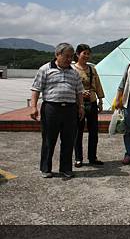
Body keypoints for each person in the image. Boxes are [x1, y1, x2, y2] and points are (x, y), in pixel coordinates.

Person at [30, 43, 84, 178]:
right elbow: (36, 89)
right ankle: (46, 168)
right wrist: (33, 107)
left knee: (68, 140)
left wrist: (81, 107)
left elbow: (79, 92)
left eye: (71, 57)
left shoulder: (74, 72)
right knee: (49, 139)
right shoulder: (45, 69)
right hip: (51, 108)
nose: (69, 59)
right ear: (57, 55)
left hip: (70, 109)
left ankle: (65, 169)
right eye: (66, 56)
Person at [72, 44, 105, 168]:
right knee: (78, 132)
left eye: (88, 53)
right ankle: (78, 158)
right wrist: (80, 93)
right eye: (84, 53)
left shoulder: (92, 69)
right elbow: (70, 87)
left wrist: (100, 101)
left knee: (93, 132)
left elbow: (98, 85)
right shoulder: (72, 70)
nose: (86, 56)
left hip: (91, 102)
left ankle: (92, 157)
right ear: (77, 54)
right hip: (78, 104)